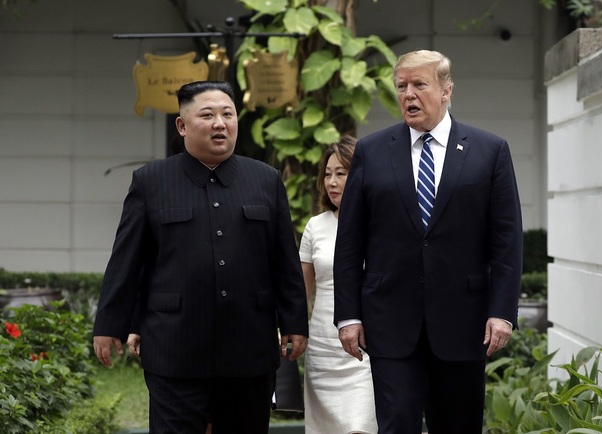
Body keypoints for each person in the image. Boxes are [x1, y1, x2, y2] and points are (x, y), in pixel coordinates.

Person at [93, 80, 309, 434]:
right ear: (182, 125)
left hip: (249, 346)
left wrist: (295, 322)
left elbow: (283, 259)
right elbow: (127, 260)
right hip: (174, 346)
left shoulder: (266, 180)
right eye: (207, 115)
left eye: (228, 114)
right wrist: (109, 325)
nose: (220, 123)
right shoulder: (151, 181)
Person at [333, 50, 523, 434]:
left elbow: (506, 240)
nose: (408, 95)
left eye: (419, 84)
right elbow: (351, 240)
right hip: (389, 321)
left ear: (446, 90)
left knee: (457, 424)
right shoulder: (372, 150)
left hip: (464, 322)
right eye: (401, 86)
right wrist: (348, 315)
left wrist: (502, 311)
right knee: (398, 421)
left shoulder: (490, 151)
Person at [299, 137, 378, 434]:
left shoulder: (381, 223)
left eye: (341, 173)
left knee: (359, 426)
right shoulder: (315, 226)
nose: (331, 182)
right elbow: (302, 292)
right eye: (327, 173)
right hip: (322, 348)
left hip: (366, 348)